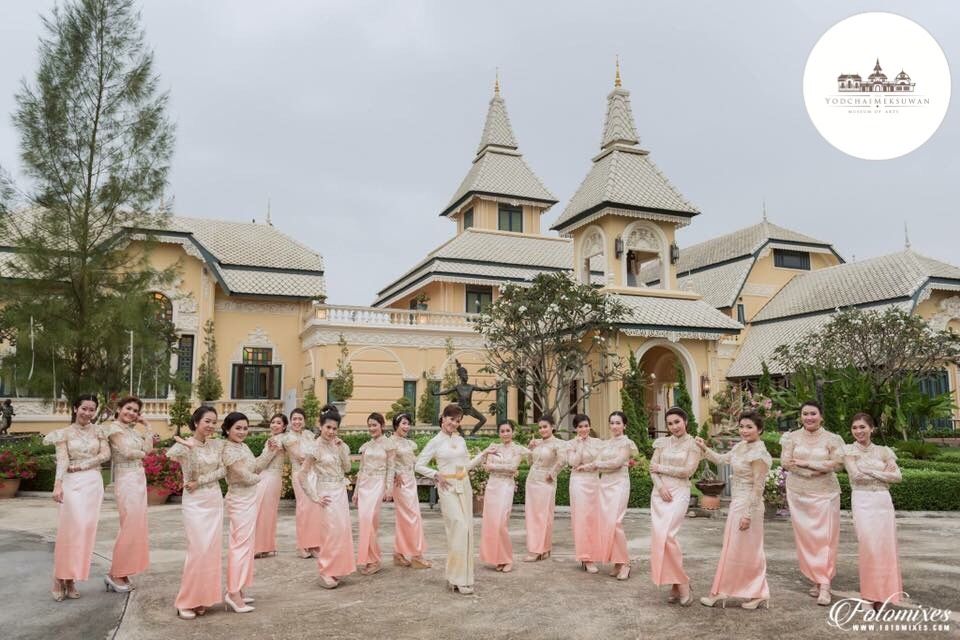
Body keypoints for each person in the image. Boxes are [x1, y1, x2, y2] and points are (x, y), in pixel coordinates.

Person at [695, 411, 773, 609]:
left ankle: (757, 592)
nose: (744, 431)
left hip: (749, 506)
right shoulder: (740, 446)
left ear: (760, 430)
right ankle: (724, 590)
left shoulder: (759, 454)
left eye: (749, 427)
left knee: (749, 550)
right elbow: (721, 459)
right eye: (741, 426)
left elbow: (758, 487)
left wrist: (748, 515)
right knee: (733, 548)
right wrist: (704, 448)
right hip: (737, 503)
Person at [44, 394, 111, 601]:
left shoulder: (99, 431)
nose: (87, 413)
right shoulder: (63, 434)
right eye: (84, 408)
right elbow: (62, 460)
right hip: (72, 484)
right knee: (69, 531)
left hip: (93, 483)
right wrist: (58, 484)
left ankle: (71, 579)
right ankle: (58, 577)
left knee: (85, 532)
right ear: (75, 409)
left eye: (91, 409)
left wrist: (82, 465)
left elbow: (105, 455)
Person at [780, 400, 845, 606]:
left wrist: (808, 464)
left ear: (821, 416)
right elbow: (786, 462)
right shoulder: (791, 438)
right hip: (798, 493)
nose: (809, 417)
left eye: (813, 414)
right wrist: (815, 470)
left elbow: (838, 463)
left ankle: (825, 584)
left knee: (825, 539)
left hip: (825, 493)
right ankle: (817, 578)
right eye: (805, 414)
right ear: (801, 416)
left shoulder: (833, 439)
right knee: (807, 540)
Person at [167, 406, 224, 620]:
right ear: (196, 422)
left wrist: (201, 481)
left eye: (214, 422)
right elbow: (189, 476)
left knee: (211, 551)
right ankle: (186, 601)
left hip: (214, 499)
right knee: (198, 550)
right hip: (195, 502)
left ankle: (203, 598)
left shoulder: (216, 445)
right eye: (207, 421)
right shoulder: (182, 445)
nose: (211, 425)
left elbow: (222, 470)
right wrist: (190, 450)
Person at [843, 412, 903, 609]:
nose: (858, 431)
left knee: (885, 547)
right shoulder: (849, 451)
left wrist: (869, 471)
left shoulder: (884, 451)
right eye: (854, 427)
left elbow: (897, 477)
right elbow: (856, 476)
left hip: (883, 502)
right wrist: (881, 473)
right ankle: (868, 596)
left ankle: (882, 595)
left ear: (872, 429)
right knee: (868, 546)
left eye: (862, 427)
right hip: (862, 501)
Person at [415, 403, 476, 594]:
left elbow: (466, 465)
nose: (454, 423)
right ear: (443, 418)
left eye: (458, 421)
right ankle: (457, 578)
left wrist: (484, 455)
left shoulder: (461, 440)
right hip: (447, 488)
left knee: (466, 531)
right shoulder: (435, 441)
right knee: (459, 527)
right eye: (451, 419)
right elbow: (419, 465)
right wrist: (435, 474)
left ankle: (460, 578)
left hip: (464, 486)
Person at [218, 412, 273, 613]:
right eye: (238, 428)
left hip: (250, 498)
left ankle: (239, 589)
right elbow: (244, 475)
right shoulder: (227, 449)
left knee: (247, 546)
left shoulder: (243, 447)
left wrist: (269, 451)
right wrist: (264, 479)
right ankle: (232, 592)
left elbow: (256, 467)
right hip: (239, 499)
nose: (242, 432)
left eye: (245, 428)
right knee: (239, 546)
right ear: (227, 429)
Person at [104, 396, 158, 592]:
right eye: (128, 408)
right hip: (126, 478)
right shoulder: (113, 429)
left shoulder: (133, 431)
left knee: (136, 526)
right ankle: (115, 573)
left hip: (139, 477)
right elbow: (127, 452)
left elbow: (148, 448)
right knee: (128, 525)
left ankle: (122, 570)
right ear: (119, 408)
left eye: (135, 411)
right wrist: (145, 452)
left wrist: (148, 427)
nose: (132, 413)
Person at [298, 406, 355, 589]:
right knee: (330, 533)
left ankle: (337, 568)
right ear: (320, 426)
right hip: (326, 493)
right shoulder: (314, 448)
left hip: (340, 493)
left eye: (334, 428)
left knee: (341, 532)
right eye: (328, 427)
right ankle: (325, 571)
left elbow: (347, 468)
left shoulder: (337, 445)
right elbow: (302, 475)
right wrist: (314, 497)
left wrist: (342, 448)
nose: (331, 432)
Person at [649, 406, 701, 605]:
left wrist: (661, 467)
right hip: (660, 493)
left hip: (679, 492)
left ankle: (682, 582)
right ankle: (675, 583)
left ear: (685, 421)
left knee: (669, 536)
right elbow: (652, 469)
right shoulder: (662, 443)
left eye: (677, 422)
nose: (674, 426)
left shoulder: (694, 444)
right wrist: (660, 487)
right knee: (660, 539)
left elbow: (687, 471)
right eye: (670, 423)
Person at [579, 411, 638, 580]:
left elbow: (617, 463)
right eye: (612, 423)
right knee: (607, 524)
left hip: (619, 483)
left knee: (616, 522)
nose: (614, 426)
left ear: (624, 425)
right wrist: (586, 466)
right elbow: (596, 461)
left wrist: (595, 465)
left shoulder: (626, 443)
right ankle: (617, 562)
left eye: (618, 423)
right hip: (604, 483)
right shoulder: (606, 443)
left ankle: (625, 563)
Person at [473, 420, 529, 573]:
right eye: (502, 431)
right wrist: (500, 468)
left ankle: (507, 559)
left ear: (513, 432)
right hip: (492, 486)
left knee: (501, 523)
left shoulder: (517, 449)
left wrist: (495, 467)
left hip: (506, 486)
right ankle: (498, 558)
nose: (505, 434)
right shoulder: (493, 447)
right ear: (499, 433)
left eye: (508, 430)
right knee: (491, 524)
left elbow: (513, 468)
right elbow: (486, 467)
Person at [354, 412, 396, 576]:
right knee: (365, 522)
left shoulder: (389, 444)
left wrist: (389, 488)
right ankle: (371, 558)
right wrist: (356, 491)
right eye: (369, 425)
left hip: (378, 484)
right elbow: (361, 469)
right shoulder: (366, 446)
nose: (371, 428)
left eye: (374, 425)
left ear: (382, 426)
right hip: (364, 484)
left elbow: (391, 468)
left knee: (371, 520)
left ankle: (374, 559)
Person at [388, 412, 431, 569]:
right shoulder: (390, 442)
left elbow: (414, 461)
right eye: (404, 423)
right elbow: (387, 462)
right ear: (396, 425)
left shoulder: (408, 443)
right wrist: (395, 473)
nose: (407, 426)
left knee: (406, 518)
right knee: (412, 517)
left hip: (411, 480)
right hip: (401, 484)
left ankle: (398, 553)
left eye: (408, 423)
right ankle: (416, 555)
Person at [523, 415, 566, 562]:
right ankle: (542, 549)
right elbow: (530, 462)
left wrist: (552, 473)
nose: (542, 430)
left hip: (546, 482)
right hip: (532, 480)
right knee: (532, 515)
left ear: (552, 427)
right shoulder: (537, 443)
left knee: (545, 515)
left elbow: (562, 460)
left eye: (545, 427)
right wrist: (530, 448)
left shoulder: (558, 444)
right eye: (540, 427)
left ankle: (540, 549)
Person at [281, 407, 322, 558]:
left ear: (304, 421)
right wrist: (314, 456)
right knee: (304, 509)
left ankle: (314, 544)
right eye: (294, 419)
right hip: (299, 475)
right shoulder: (288, 438)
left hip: (313, 475)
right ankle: (302, 545)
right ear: (290, 421)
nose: (297, 422)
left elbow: (318, 452)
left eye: (300, 419)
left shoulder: (309, 434)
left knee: (315, 509)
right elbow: (300, 457)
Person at [566, 413, 603, 574]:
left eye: (586, 426)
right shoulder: (570, 444)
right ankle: (586, 557)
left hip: (594, 482)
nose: (584, 429)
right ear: (575, 428)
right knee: (581, 519)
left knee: (594, 519)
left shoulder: (598, 443)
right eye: (580, 426)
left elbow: (600, 462)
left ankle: (593, 554)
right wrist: (580, 445)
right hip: (578, 483)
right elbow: (573, 462)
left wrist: (590, 466)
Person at [254, 413, 287, 559]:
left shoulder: (276, 441)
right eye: (273, 422)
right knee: (267, 513)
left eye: (278, 423)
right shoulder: (279, 439)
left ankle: (260, 547)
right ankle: (266, 547)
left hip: (268, 478)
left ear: (284, 426)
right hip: (272, 479)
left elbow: (263, 462)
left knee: (261, 513)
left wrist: (250, 467)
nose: (274, 425)